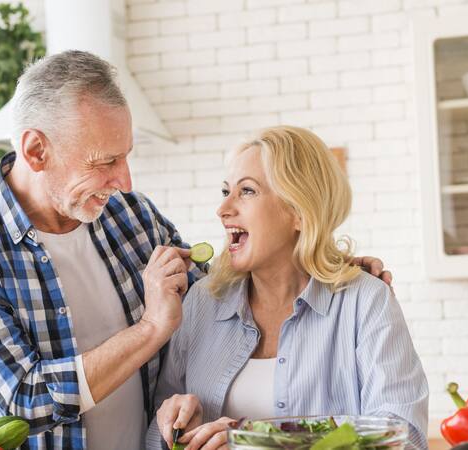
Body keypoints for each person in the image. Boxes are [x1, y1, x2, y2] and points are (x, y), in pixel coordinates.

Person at [0, 50, 392, 450]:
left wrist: (323, 263)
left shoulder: (130, 216)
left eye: (125, 156)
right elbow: (22, 400)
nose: (124, 181)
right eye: (105, 161)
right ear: (36, 151)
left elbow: (217, 287)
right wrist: (150, 329)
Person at [147, 126, 429, 450]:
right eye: (226, 192)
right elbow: (155, 437)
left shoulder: (365, 301)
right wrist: (179, 432)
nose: (223, 209)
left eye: (247, 191)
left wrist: (254, 442)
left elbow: (403, 436)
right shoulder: (201, 302)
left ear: (298, 210)